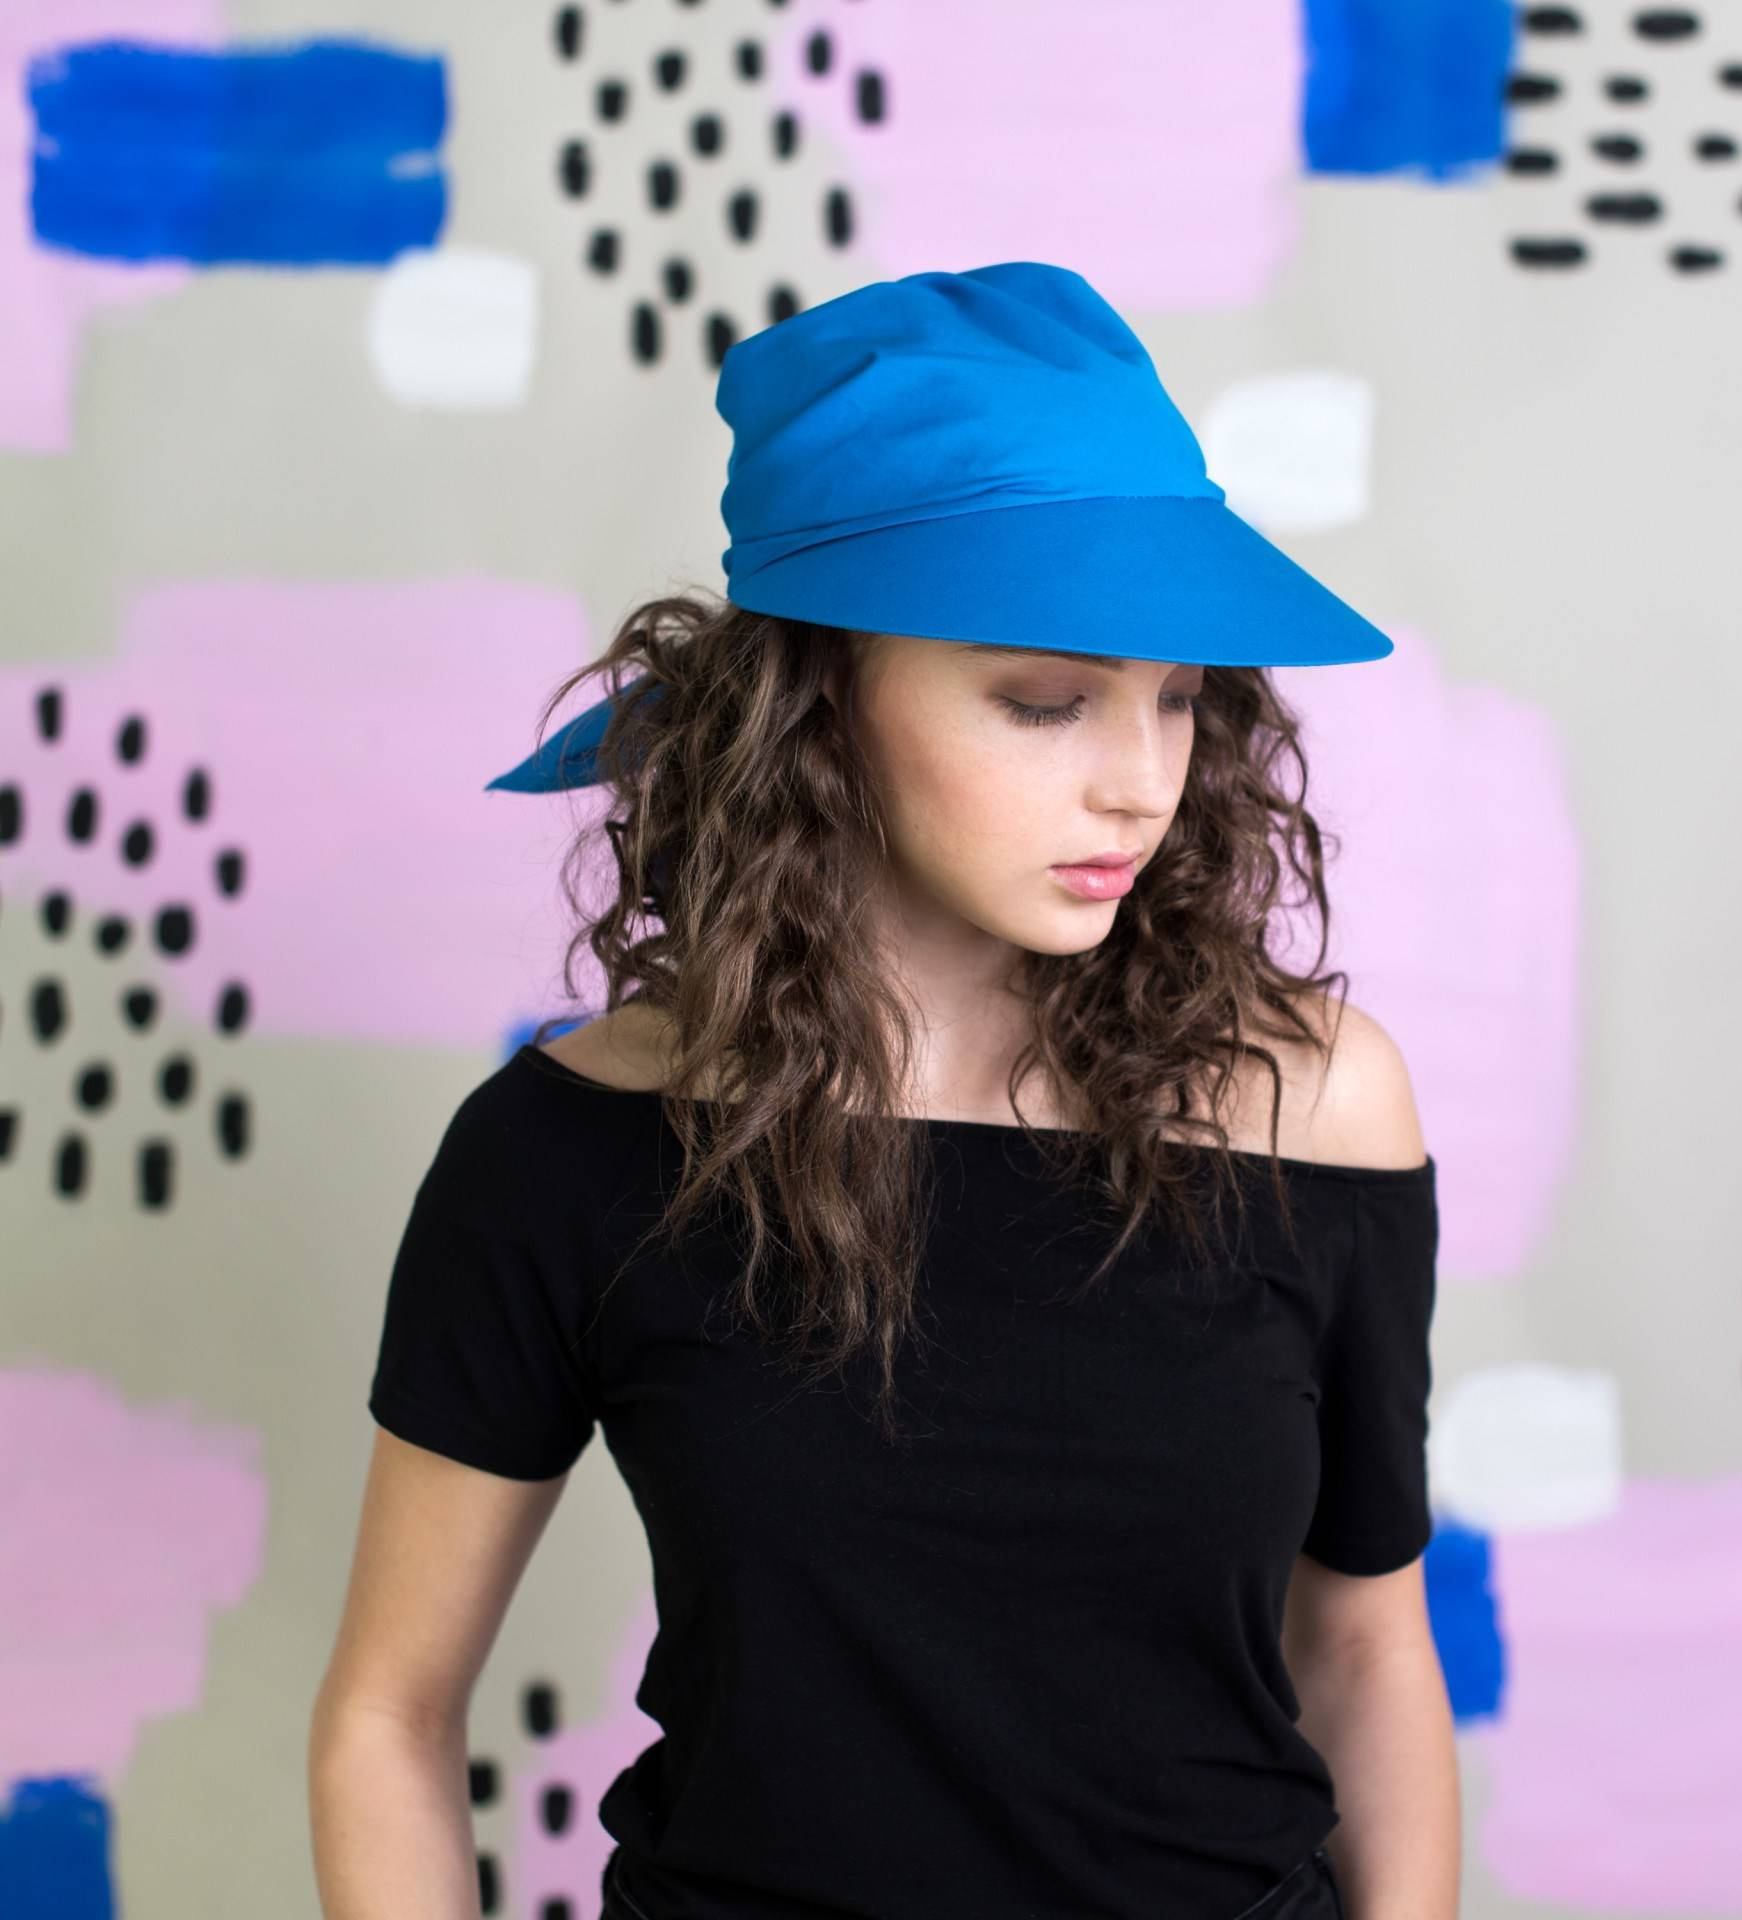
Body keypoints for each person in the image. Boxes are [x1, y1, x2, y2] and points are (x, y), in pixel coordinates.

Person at [309, 263, 1460, 1920]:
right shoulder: (568, 1152)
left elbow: (1363, 1650)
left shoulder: (1318, 1110)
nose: (1143, 783)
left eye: (1179, 698)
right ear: (817, 703)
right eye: (1047, 701)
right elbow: (389, 1715)